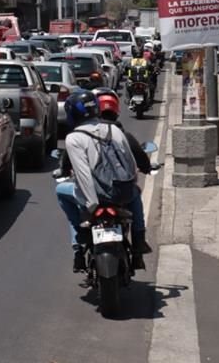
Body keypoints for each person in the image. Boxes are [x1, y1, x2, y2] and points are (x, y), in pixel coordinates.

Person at [55, 91, 151, 272]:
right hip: (122, 192)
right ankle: (139, 242)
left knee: (60, 190)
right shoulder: (113, 130)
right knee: (135, 194)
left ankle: (78, 242)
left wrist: (92, 204)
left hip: (94, 198)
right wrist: (130, 183)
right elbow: (130, 161)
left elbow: (83, 173)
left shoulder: (73, 138)